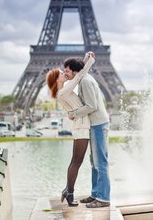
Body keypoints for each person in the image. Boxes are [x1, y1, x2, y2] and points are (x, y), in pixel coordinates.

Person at [46, 52, 95, 207]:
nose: (64, 73)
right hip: (81, 127)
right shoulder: (63, 91)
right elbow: (79, 77)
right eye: (61, 73)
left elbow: (76, 74)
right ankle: (69, 192)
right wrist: (90, 61)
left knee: (75, 161)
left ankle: (68, 190)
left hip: (80, 125)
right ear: (56, 79)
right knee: (76, 162)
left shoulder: (65, 89)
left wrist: (85, 59)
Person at [64, 54, 111, 208]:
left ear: (75, 71)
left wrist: (74, 114)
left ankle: (103, 199)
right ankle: (96, 194)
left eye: (67, 71)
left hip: (98, 124)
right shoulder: (84, 78)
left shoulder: (84, 81)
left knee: (100, 163)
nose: (66, 74)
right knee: (94, 163)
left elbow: (92, 106)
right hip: (95, 124)